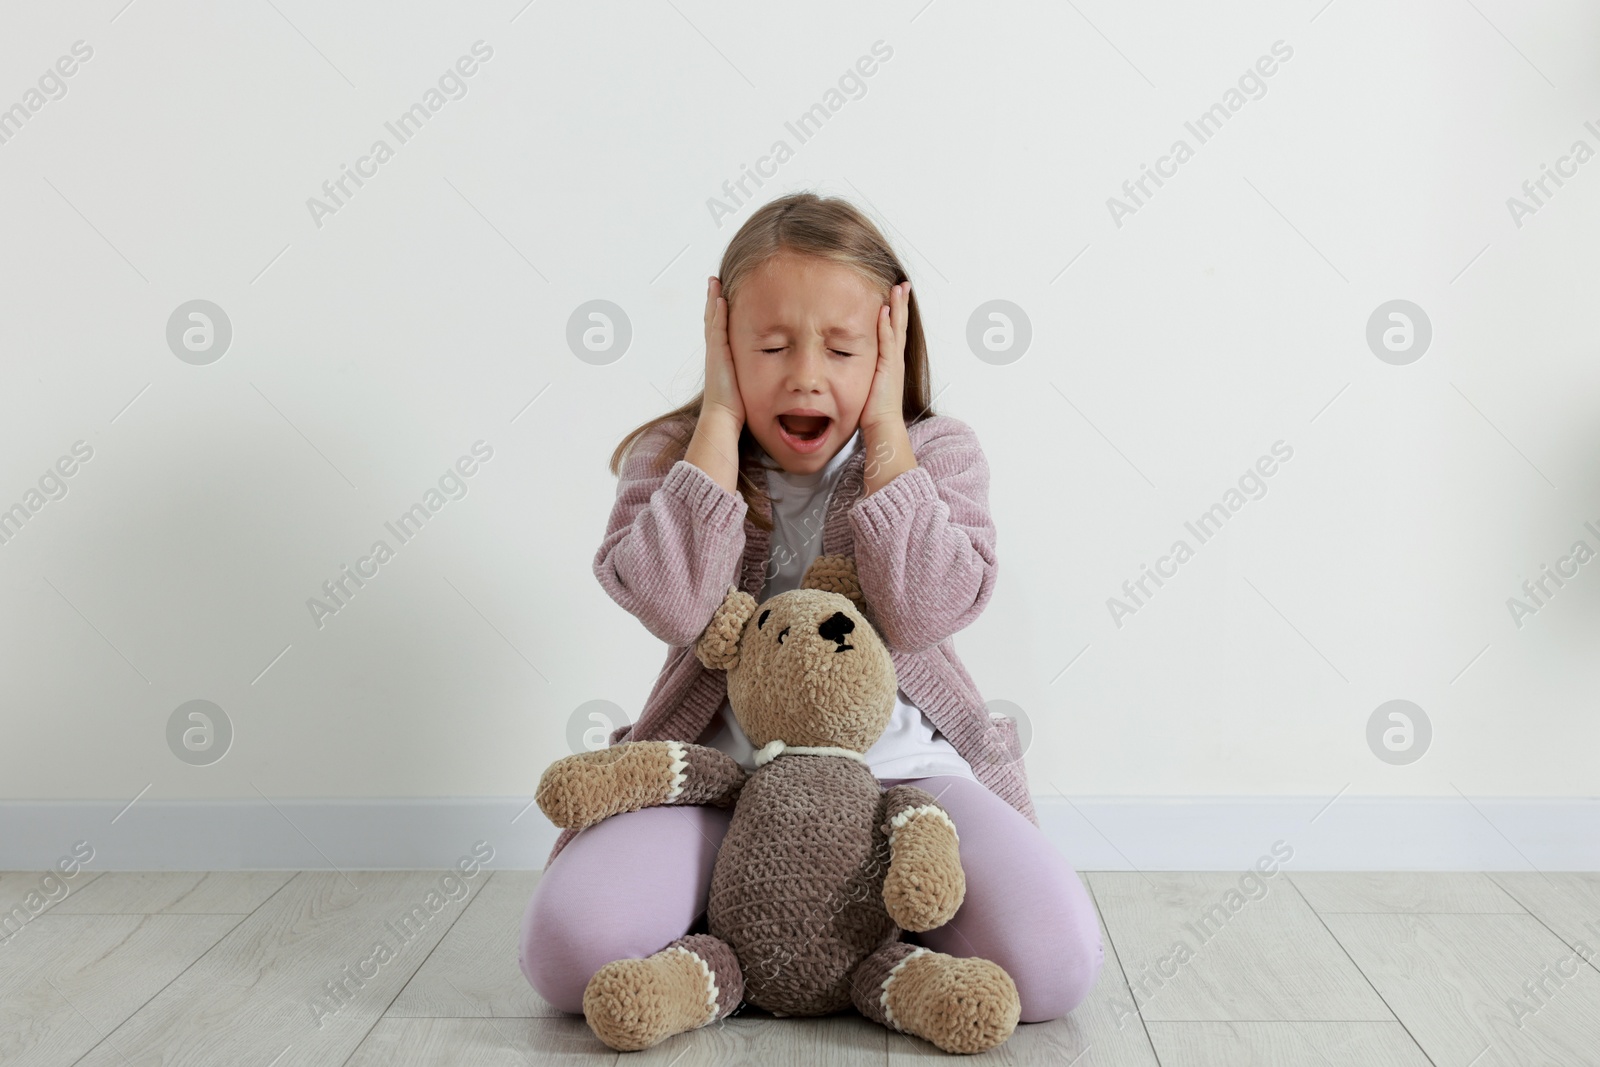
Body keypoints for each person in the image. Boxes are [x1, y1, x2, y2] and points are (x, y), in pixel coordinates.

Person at [520, 192, 1103, 1026]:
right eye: (769, 345)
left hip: (904, 784)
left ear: (889, 350)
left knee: (1053, 972)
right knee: (564, 952)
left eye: (841, 348)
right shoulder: (676, 458)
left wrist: (889, 442)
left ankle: (868, 933)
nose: (805, 374)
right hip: (723, 784)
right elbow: (676, 600)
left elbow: (926, 609)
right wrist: (717, 421)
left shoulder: (937, 454)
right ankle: (741, 920)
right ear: (723, 344)